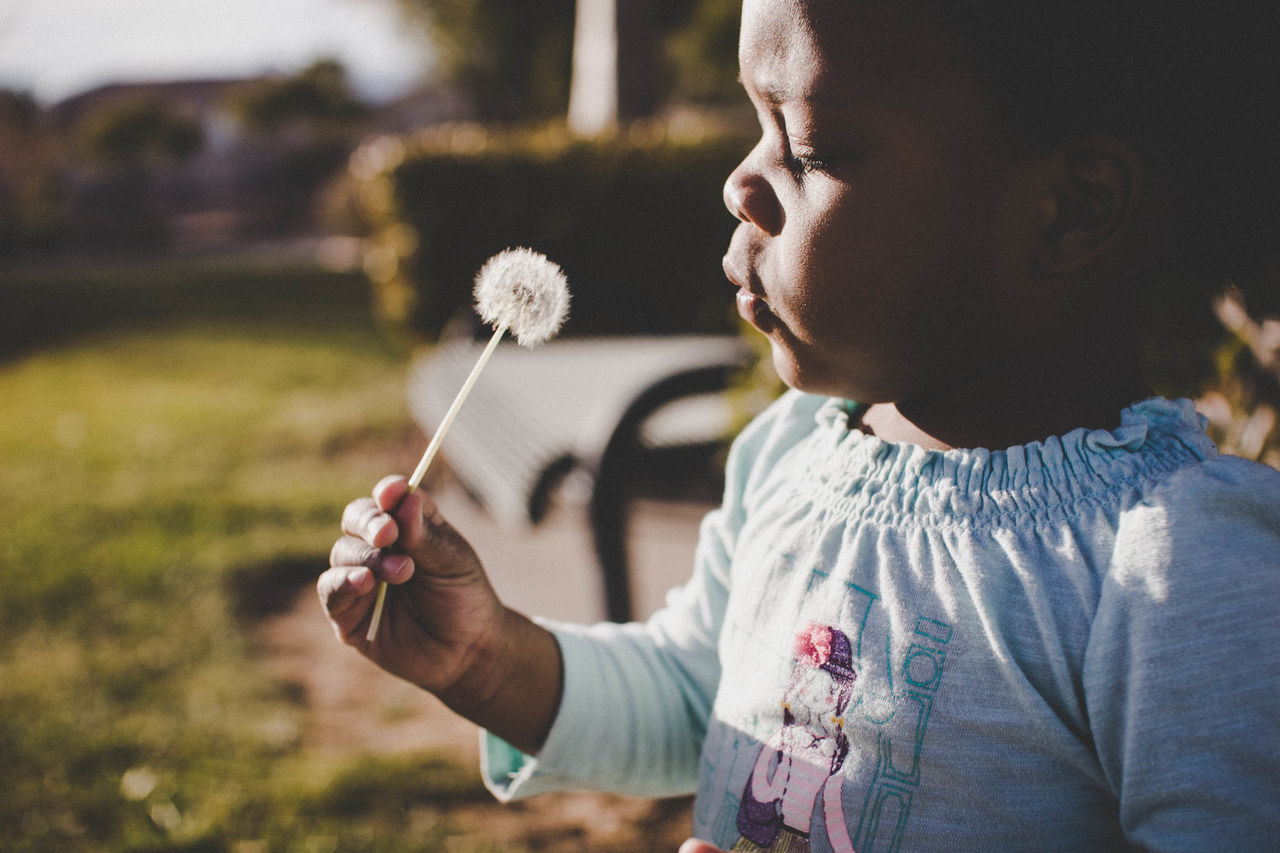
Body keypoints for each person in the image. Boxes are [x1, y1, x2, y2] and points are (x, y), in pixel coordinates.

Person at [318, 1, 1280, 849]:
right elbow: (700, 698)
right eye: (755, 124)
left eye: (809, 146)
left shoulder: (1174, 567)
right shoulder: (789, 452)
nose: (742, 183)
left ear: (1070, 209)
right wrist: (488, 658)